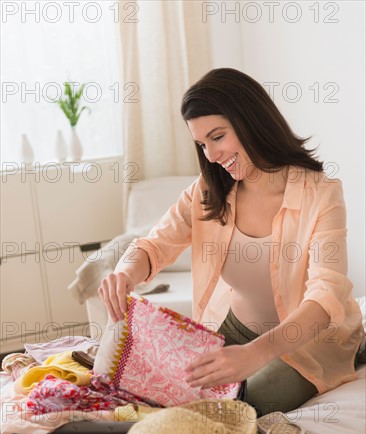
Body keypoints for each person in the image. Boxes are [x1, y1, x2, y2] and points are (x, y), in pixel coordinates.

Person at [98, 68, 364, 416]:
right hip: (233, 329)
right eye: (202, 144)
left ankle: (355, 343)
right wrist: (125, 273)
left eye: (217, 137)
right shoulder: (208, 191)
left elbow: (325, 296)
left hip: (304, 343)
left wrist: (255, 354)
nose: (210, 155)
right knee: (155, 389)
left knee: (244, 404)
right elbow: (153, 246)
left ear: (251, 121)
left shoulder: (321, 195)